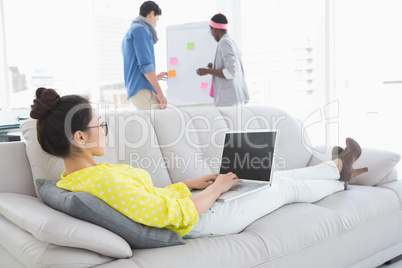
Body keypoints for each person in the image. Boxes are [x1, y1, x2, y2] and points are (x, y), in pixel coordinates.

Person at [30, 87, 368, 239]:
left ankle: (338, 168)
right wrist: (219, 186)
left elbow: (148, 201)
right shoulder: (100, 181)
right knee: (279, 185)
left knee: (267, 176)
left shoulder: (74, 179)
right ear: (80, 138)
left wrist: (189, 184)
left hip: (195, 203)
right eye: (99, 126)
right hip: (202, 221)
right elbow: (171, 215)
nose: (106, 130)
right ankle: (338, 169)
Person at [122, 1, 168, 110]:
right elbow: (146, 66)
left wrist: (156, 77)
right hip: (142, 91)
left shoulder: (131, 31)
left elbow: (137, 69)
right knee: (162, 124)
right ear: (151, 14)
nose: (156, 24)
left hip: (137, 90)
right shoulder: (140, 30)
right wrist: (160, 93)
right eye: (156, 19)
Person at [197, 13, 249, 107]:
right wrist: (214, 68)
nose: (212, 34)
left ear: (215, 29)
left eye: (211, 31)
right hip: (233, 98)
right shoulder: (230, 41)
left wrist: (207, 71)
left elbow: (230, 72)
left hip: (230, 100)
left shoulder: (224, 43)